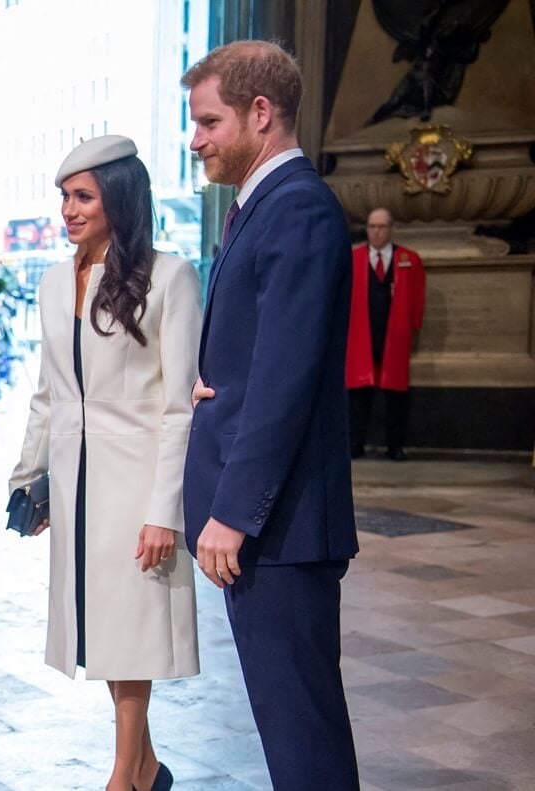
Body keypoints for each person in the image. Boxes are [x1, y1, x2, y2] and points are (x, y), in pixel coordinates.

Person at [181, 41, 360, 789]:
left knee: (301, 728)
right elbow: (260, 357)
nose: (197, 140)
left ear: (261, 113)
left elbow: (285, 382)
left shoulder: (298, 209)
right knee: (288, 722)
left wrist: (234, 512)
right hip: (273, 525)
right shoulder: (264, 208)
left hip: (281, 527)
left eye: (208, 120)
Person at [10, 135, 201, 791]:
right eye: (64, 196)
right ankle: (146, 767)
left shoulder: (170, 276)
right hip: (74, 485)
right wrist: (25, 479)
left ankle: (123, 776)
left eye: (82, 195)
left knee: (132, 632)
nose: (69, 208)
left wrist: (163, 511)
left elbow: (180, 406)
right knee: (103, 631)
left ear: (118, 197)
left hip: (136, 483)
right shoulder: (52, 279)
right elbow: (47, 391)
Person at [346, 207, 426, 461]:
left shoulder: (409, 260)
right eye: (372, 226)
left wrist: (412, 328)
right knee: (358, 396)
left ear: (391, 229)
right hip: (361, 336)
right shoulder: (354, 259)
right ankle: (355, 444)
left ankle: (395, 446)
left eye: (381, 227)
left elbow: (417, 298)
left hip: (394, 336)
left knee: (395, 396)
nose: (376, 232)